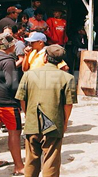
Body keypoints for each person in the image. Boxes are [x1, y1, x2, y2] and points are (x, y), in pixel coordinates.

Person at [16, 45, 77, 177]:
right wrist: (65, 122)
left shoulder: (28, 75)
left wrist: (28, 114)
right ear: (61, 61)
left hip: (32, 122)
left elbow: (22, 99)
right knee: (51, 160)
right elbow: (68, 104)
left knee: (31, 159)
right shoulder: (68, 78)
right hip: (54, 124)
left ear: (44, 58)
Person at [0, 33, 25, 175]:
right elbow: (12, 84)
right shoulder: (8, 61)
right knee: (14, 132)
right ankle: (19, 166)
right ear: (9, 45)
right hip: (6, 102)